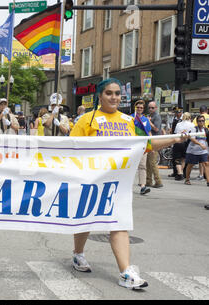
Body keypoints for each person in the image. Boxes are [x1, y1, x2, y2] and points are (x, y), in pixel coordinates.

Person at [70, 78, 188, 289]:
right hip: (90, 180)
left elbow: (146, 145)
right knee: (86, 219)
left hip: (118, 183)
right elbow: (70, 149)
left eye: (117, 93)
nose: (114, 97)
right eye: (108, 93)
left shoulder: (128, 121)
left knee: (119, 223)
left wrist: (175, 139)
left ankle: (125, 272)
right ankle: (78, 253)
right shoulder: (86, 120)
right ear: (100, 96)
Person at [131, 100, 151, 195]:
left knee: (142, 166)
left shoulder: (146, 119)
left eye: (141, 108)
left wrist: (151, 145)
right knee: (130, 166)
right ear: (135, 108)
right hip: (132, 145)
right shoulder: (131, 118)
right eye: (138, 107)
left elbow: (149, 133)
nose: (139, 109)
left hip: (143, 145)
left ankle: (143, 186)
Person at [184, 114, 209, 186]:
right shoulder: (194, 129)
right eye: (199, 121)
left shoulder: (206, 130)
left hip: (203, 151)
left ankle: (208, 181)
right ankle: (187, 179)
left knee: (206, 164)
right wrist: (200, 144)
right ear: (197, 122)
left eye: (202, 121)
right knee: (190, 165)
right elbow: (192, 139)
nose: (201, 122)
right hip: (193, 151)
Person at [146, 101, 163, 188]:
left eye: (152, 108)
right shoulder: (150, 116)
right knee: (148, 162)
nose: (150, 109)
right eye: (149, 107)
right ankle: (148, 181)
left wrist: (149, 122)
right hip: (150, 141)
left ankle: (158, 181)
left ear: (156, 108)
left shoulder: (157, 116)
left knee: (152, 162)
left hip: (155, 141)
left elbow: (156, 129)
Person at [173, 112, 194, 181]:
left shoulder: (178, 124)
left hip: (178, 142)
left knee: (177, 159)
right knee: (184, 158)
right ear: (190, 117)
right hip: (186, 142)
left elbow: (176, 132)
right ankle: (181, 172)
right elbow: (192, 134)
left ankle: (180, 173)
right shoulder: (191, 125)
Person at [169, 107, 183, 178]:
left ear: (180, 112)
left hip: (181, 139)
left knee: (180, 157)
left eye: (177, 112)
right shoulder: (174, 119)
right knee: (174, 156)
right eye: (175, 112)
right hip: (174, 138)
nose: (176, 114)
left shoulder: (183, 119)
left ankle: (180, 173)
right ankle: (175, 172)